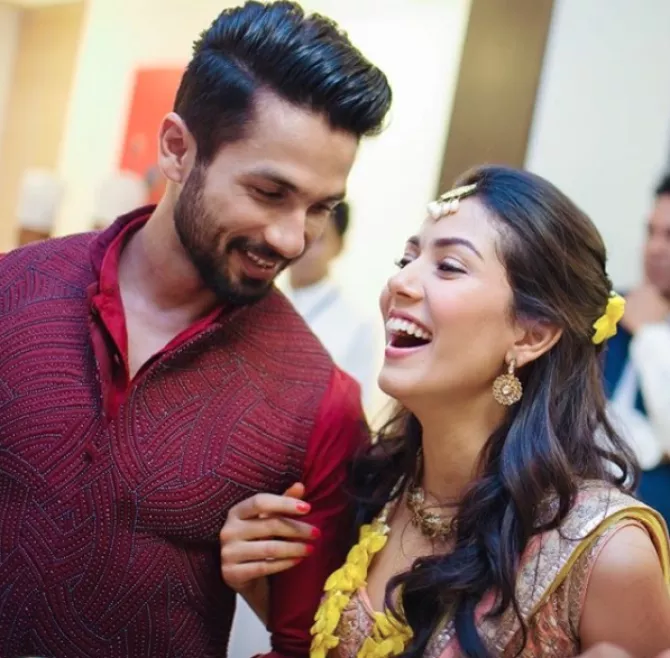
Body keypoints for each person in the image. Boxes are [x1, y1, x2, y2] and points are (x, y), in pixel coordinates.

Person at [0, 2, 392, 657]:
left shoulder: (319, 403)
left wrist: (261, 590)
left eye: (320, 208)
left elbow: (308, 648)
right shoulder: (13, 294)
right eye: (269, 193)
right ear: (178, 149)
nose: (292, 239)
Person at [220, 166, 670, 657]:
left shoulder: (604, 554)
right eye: (406, 259)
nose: (400, 282)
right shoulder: (373, 487)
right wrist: (271, 592)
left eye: (449, 267)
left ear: (531, 334)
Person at [604, 174, 670, 524]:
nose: (654, 248)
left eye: (669, 236)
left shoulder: (640, 325)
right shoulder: (608, 310)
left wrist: (649, 334)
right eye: (650, 233)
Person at [284, 201, 378, 408]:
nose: (303, 247)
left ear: (339, 247)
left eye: (318, 239)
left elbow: (354, 408)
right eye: (300, 233)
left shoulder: (358, 324)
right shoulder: (258, 300)